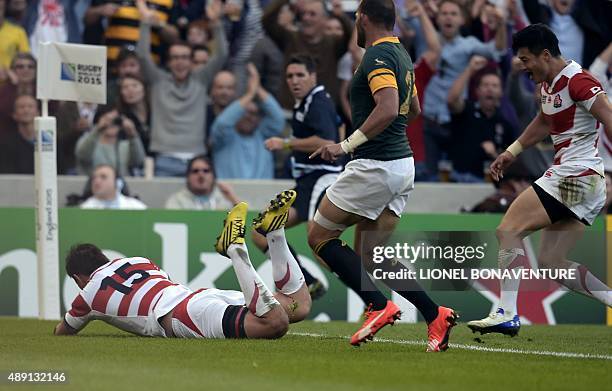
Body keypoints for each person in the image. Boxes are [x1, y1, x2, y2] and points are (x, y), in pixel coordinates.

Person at [307, 0, 457, 351]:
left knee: (319, 236)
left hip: (375, 165)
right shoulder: (402, 54)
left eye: (355, 19)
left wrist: (346, 145)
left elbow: (389, 107)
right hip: (402, 165)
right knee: (372, 257)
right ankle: (435, 313)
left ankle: (377, 304)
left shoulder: (375, 57)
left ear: (362, 18)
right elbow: (412, 109)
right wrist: (389, 137)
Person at [467, 24, 612, 336]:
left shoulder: (579, 80)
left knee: (508, 230)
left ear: (545, 55)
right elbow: (545, 120)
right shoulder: (549, 84)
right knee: (551, 261)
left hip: (577, 176)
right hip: (582, 182)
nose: (523, 66)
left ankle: (505, 312)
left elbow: (609, 118)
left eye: (526, 59)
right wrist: (512, 151)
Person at [55, 191, 312, 340]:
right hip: (196, 296)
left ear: (78, 278)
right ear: (104, 258)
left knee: (275, 322)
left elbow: (64, 330)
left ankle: (234, 250)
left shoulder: (87, 295)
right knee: (299, 304)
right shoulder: (137, 261)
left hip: (183, 317)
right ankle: (275, 235)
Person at [255, 54, 341, 299]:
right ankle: (309, 281)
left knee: (320, 244)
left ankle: (369, 291)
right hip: (305, 183)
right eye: (290, 76)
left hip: (322, 179)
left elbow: (327, 141)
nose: (294, 81)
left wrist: (286, 143)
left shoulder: (318, 102)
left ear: (313, 76)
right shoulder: (306, 103)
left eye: (300, 75)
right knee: (262, 229)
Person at [136, 0, 228, 177]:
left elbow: (221, 55)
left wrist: (216, 23)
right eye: (175, 58)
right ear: (169, 62)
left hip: (197, 160)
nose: (180, 62)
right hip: (164, 159)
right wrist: (146, 22)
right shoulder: (157, 80)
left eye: (185, 57)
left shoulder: (201, 80)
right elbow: (142, 55)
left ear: (191, 61)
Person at [209, 64, 284, 179]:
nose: (249, 117)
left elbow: (278, 118)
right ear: (235, 114)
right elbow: (223, 123)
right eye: (244, 112)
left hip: (262, 195)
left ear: (259, 118)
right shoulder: (224, 138)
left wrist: (257, 88)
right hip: (229, 195)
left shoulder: (264, 137)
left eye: (253, 114)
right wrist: (250, 94)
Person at [447, 60, 515, 182]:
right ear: (477, 91)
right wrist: (470, 69)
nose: (490, 89)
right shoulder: (466, 110)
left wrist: (494, 154)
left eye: (494, 86)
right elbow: (452, 100)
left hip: (491, 183)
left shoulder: (504, 124)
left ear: (500, 92)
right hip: (461, 178)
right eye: (485, 85)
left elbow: (511, 162)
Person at [75, 107, 146, 177]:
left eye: (115, 120)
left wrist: (132, 134)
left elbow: (138, 160)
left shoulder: (125, 146)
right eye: (107, 120)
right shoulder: (87, 141)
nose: (112, 124)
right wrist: (97, 129)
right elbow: (83, 154)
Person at [165, 155, 239, 210]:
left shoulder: (226, 199)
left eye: (206, 171)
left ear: (214, 176)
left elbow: (249, 224)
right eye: (195, 171)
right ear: (188, 177)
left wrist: (233, 199)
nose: (201, 175)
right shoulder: (177, 200)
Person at [80, 165, 147, 209]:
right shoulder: (85, 208)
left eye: (103, 177)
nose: (97, 181)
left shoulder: (135, 206)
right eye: (94, 178)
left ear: (117, 182)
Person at [0, 94, 37, 174]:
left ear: (38, 113)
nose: (26, 110)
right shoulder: (5, 144)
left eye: (30, 106)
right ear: (14, 115)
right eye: (21, 107)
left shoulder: (50, 142)